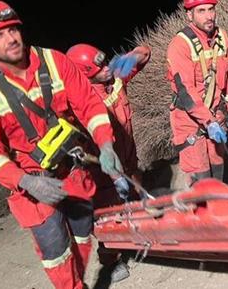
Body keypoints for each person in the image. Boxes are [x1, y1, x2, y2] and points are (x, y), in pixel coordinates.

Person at [0, 0, 125, 289]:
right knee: (55, 250)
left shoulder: (54, 62)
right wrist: (25, 181)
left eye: (13, 29)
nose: (11, 38)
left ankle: (92, 270)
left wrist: (105, 145)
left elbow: (89, 105)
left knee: (82, 232)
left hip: (72, 170)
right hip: (34, 186)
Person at [66, 42, 151, 283]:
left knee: (136, 201)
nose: (105, 69)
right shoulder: (79, 102)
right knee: (108, 217)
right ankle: (111, 261)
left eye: (104, 63)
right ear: (84, 75)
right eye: (99, 68)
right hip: (102, 172)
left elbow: (145, 54)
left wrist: (130, 57)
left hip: (129, 160)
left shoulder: (115, 77)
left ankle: (139, 239)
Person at [166, 0, 228, 185]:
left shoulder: (222, 37)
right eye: (201, 11)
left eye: (211, 9)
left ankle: (219, 203)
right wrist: (208, 122)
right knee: (200, 176)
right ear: (189, 15)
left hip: (215, 113)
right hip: (189, 120)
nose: (209, 16)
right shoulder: (180, 45)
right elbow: (186, 92)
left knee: (218, 166)